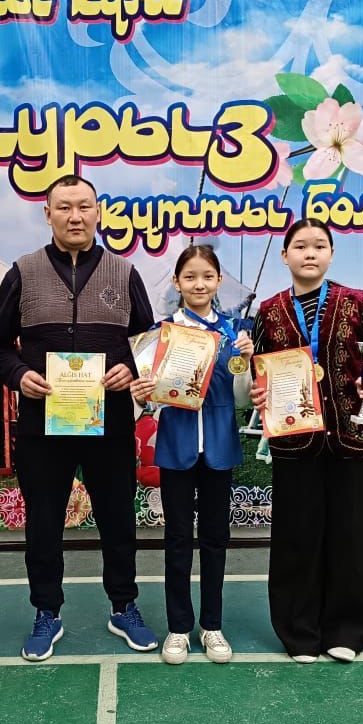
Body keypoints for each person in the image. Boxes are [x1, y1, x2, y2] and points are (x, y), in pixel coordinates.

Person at [0, 174, 158, 661]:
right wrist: (19, 374)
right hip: (43, 426)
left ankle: (124, 606)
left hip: (111, 424)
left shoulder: (124, 273)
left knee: (118, 519)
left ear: (98, 212)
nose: (75, 216)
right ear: (48, 214)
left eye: (84, 206)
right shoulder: (23, 272)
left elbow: (148, 342)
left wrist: (132, 368)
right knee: (43, 523)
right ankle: (47, 611)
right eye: (64, 207)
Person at [250, 218, 363, 664]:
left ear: (331, 254)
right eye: (300, 246)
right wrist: (259, 392)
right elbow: (258, 367)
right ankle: (299, 632)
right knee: (296, 534)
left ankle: (346, 630)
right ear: (285, 256)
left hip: (352, 435)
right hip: (295, 438)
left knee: (349, 535)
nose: (309, 253)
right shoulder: (269, 312)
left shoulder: (357, 303)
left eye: (318, 246)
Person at [129, 244, 253, 665]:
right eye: (190, 276)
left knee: (216, 540)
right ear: (177, 282)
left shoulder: (234, 333)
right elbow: (149, 401)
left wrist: (247, 362)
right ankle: (179, 627)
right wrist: (142, 394)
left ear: (218, 281)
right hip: (177, 446)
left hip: (219, 447)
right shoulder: (160, 334)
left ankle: (212, 625)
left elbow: (241, 399)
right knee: (178, 540)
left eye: (207, 276)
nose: (199, 284)